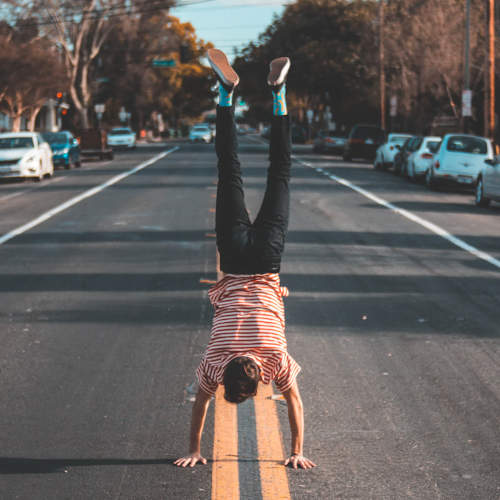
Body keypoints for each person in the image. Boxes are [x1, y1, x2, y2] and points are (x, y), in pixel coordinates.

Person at [174, 49, 316, 470]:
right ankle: (225, 94)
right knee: (228, 168)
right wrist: (194, 449)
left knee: (281, 172)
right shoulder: (216, 358)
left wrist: (297, 452)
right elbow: (200, 404)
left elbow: (295, 402)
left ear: (256, 376)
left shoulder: (274, 357)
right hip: (234, 258)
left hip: (268, 259)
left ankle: (279, 94)